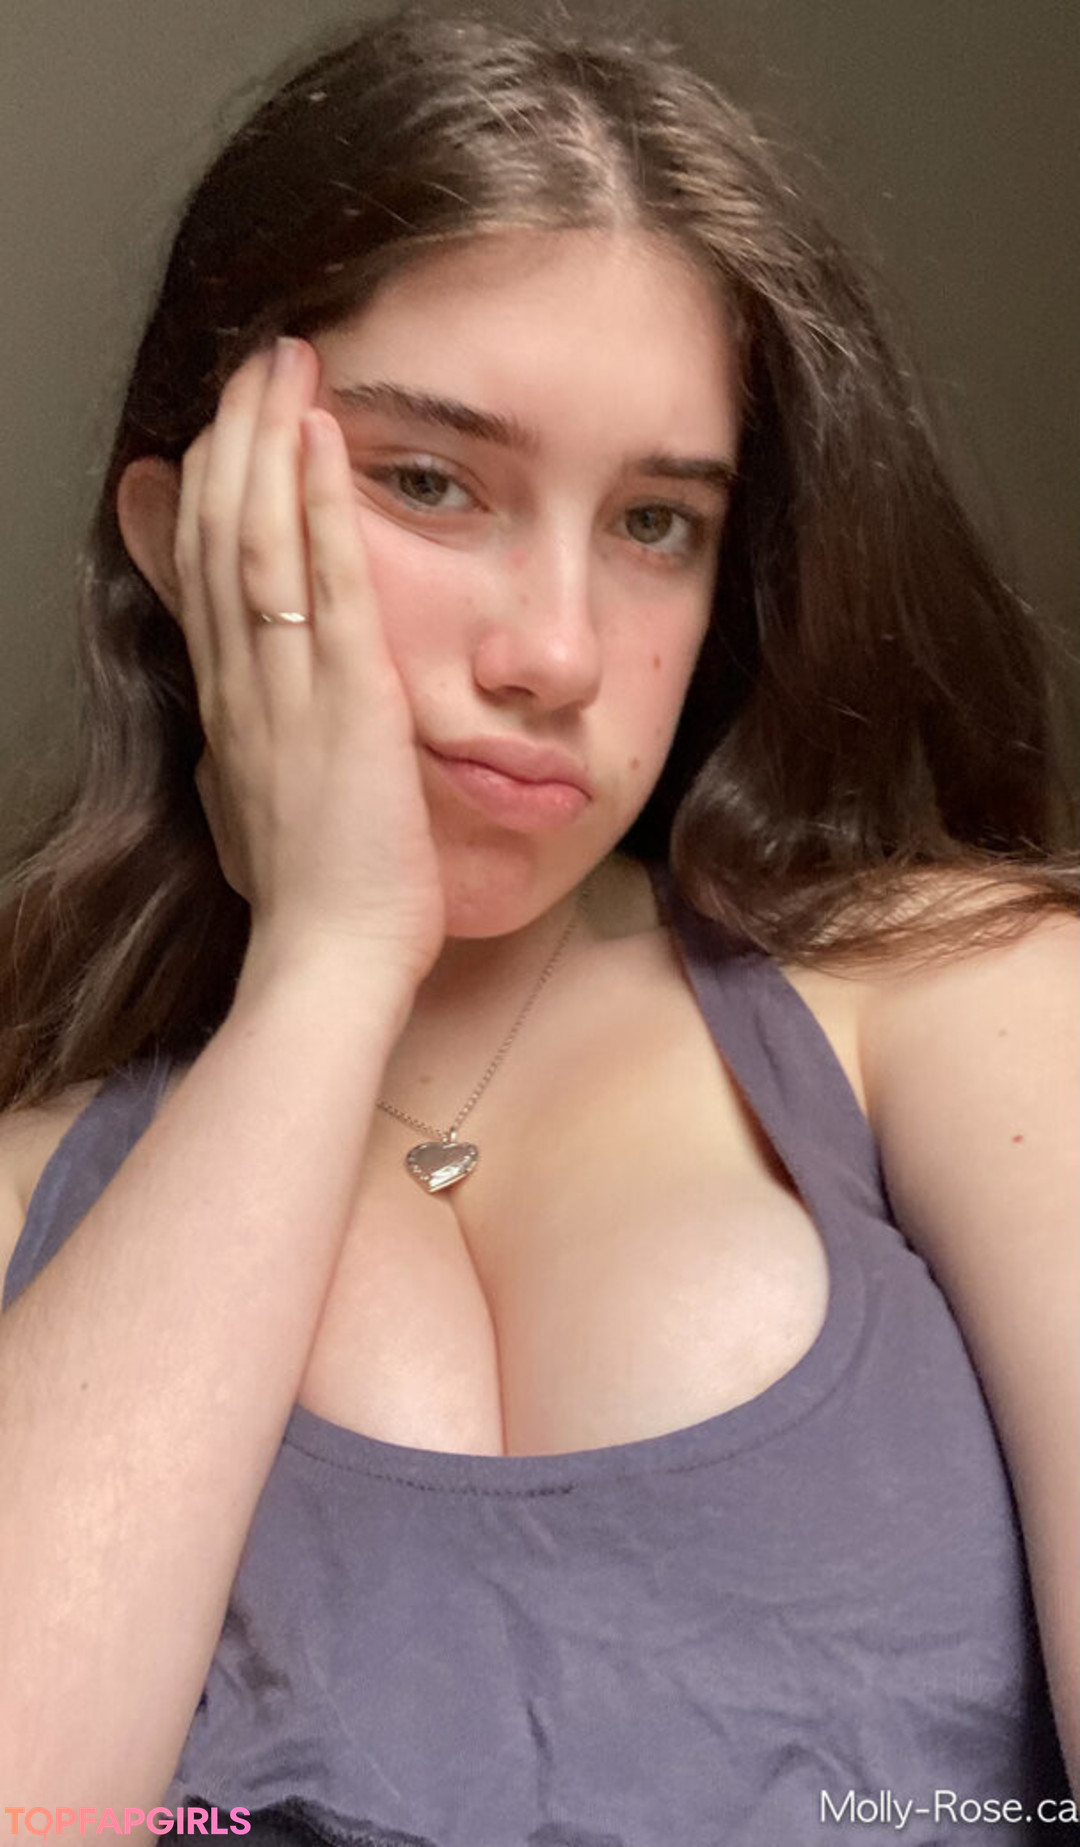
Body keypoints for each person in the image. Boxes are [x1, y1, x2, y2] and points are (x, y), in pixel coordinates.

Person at [0, 6, 1076, 1841]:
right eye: (429, 480)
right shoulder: (39, 1196)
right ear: (187, 539)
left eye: (656, 524)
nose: (559, 653)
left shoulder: (968, 1000)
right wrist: (330, 961)